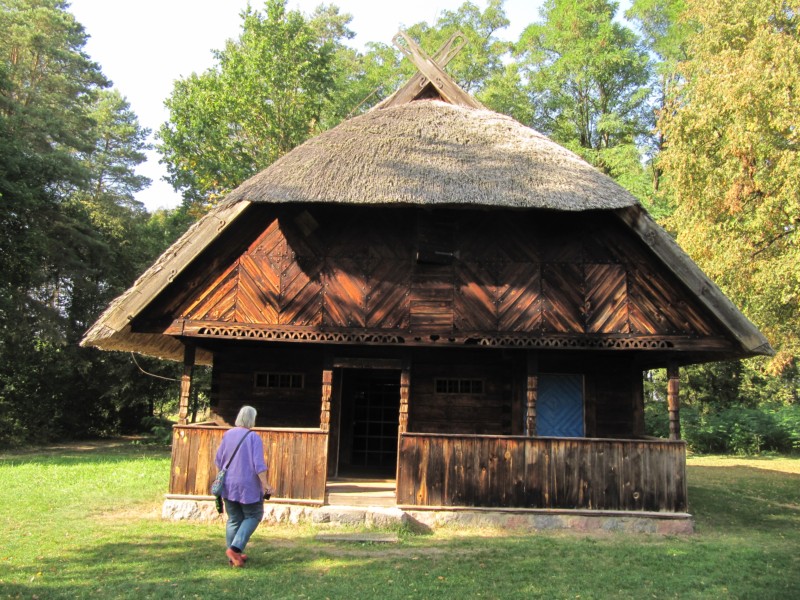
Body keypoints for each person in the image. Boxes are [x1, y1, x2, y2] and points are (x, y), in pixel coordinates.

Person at [214, 405, 270, 567]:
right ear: (252, 419)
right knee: (254, 515)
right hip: (248, 485)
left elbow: (218, 460)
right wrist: (266, 484)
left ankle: (232, 557)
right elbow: (258, 465)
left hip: (228, 483)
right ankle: (235, 549)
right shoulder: (253, 438)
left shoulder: (228, 434)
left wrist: (220, 478)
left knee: (234, 519)